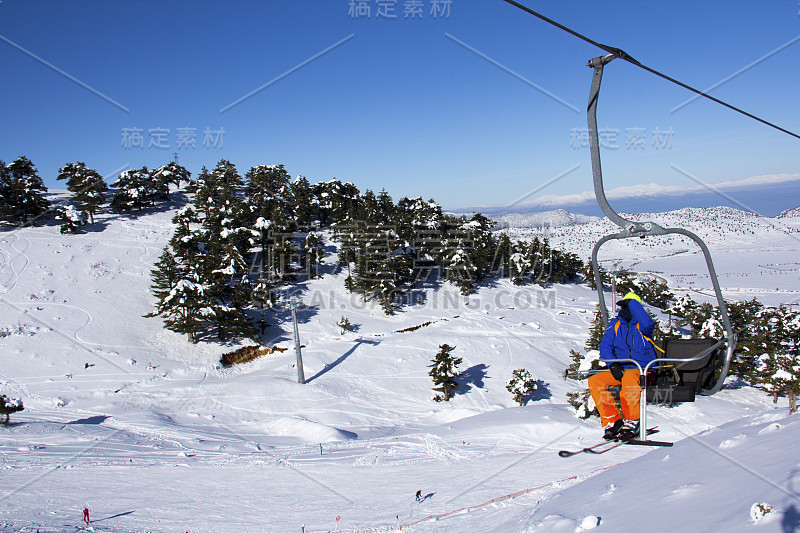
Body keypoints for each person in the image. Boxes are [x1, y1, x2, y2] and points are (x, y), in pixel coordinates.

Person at [588, 292, 659, 441]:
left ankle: (633, 421)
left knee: (629, 378)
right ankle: (614, 420)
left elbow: (648, 324)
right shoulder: (616, 324)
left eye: (628, 306)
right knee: (596, 381)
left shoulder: (643, 326)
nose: (624, 310)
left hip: (644, 370)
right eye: (624, 307)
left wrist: (632, 303)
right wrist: (613, 364)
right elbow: (605, 346)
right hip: (623, 370)